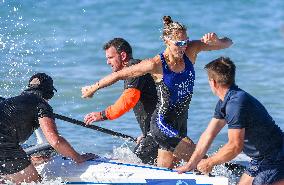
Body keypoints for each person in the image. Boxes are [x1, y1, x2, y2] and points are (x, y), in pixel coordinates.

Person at [81, 16, 233, 168]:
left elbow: (228, 42)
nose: (183, 47)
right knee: (202, 162)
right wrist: (94, 87)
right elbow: (120, 74)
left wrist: (216, 41)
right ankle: (224, 172)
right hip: (162, 124)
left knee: (165, 172)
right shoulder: (155, 64)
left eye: (186, 41)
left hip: (180, 121)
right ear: (167, 41)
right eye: (179, 43)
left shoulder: (190, 50)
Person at [175, 57, 284, 185]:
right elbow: (209, 134)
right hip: (261, 158)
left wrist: (210, 162)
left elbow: (235, 147)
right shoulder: (225, 101)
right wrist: (191, 163)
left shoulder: (236, 103)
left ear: (213, 82)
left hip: (276, 155)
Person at [0, 73, 96, 185]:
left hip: (6, 145)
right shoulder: (41, 104)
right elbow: (55, 141)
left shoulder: (14, 101)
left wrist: (28, 159)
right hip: (5, 146)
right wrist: (78, 157)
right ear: (49, 93)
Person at [82, 38, 159, 165]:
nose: (108, 62)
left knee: (136, 165)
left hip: (158, 131)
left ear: (123, 55)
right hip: (156, 130)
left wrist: (101, 115)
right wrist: (146, 134)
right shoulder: (134, 69)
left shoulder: (134, 69)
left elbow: (127, 101)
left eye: (110, 57)